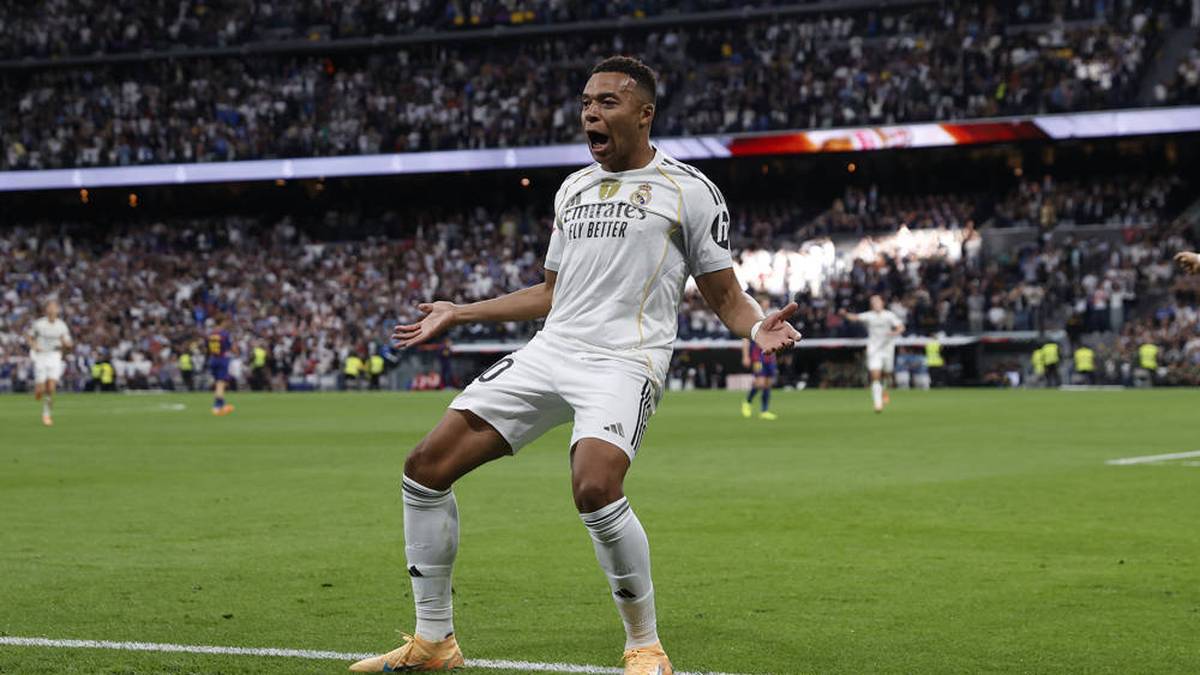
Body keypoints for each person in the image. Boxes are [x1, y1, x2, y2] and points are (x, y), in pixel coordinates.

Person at [350, 56, 801, 675]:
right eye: (587, 101)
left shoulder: (688, 190)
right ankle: (435, 644)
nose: (592, 112)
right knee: (424, 469)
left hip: (625, 361)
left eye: (608, 102)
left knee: (594, 486)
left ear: (644, 114)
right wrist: (460, 312)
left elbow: (723, 293)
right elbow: (548, 294)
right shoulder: (573, 189)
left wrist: (756, 325)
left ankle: (645, 646)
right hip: (551, 350)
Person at [841, 295, 904, 413]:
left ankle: (884, 390)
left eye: (877, 302)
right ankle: (878, 403)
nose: (876, 304)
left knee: (887, 373)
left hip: (888, 349)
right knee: (875, 375)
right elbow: (855, 318)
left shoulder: (889, 315)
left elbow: (901, 327)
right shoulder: (869, 315)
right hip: (874, 349)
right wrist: (845, 314)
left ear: (882, 303)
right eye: (873, 302)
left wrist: (894, 332)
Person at [27, 299, 73, 426]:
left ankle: (46, 414)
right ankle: (37, 392)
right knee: (40, 390)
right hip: (41, 356)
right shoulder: (39, 324)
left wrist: (67, 345)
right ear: (46, 310)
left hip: (54, 355)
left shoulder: (61, 325)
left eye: (55, 307)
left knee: (51, 387)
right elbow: (30, 337)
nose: (52, 310)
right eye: (50, 307)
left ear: (58, 310)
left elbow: (67, 342)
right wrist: (34, 345)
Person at [741, 297, 778, 420]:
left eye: (768, 303)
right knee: (760, 382)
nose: (767, 305)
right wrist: (745, 356)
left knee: (768, 383)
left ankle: (764, 410)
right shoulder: (752, 319)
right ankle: (747, 402)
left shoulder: (771, 319)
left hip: (769, 356)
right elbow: (745, 339)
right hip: (757, 357)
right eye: (765, 303)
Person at [206, 319, 235, 416]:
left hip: (213, 358)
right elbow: (229, 346)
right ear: (222, 322)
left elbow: (208, 347)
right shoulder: (224, 334)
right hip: (221, 359)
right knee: (220, 383)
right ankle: (217, 407)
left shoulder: (211, 334)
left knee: (220, 383)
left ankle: (222, 404)